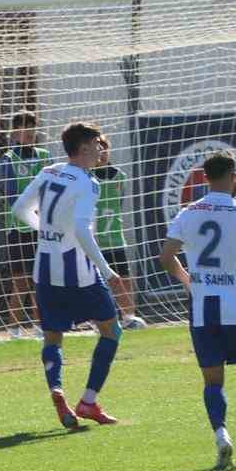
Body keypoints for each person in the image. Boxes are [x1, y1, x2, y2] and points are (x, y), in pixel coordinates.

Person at [159, 151, 236, 468]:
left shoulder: (188, 213)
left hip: (203, 307)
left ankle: (220, 436)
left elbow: (166, 255)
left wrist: (187, 279)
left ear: (205, 178)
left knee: (213, 381)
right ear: (233, 177)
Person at [10, 121, 130, 429]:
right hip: (78, 270)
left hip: (45, 267)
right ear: (84, 148)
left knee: (53, 337)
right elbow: (79, 229)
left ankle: (58, 392)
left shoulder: (49, 171)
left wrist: (46, 231)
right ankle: (88, 401)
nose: (101, 149)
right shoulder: (88, 183)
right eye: (97, 144)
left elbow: (20, 209)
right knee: (111, 331)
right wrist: (107, 269)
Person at [0, 111, 49, 339]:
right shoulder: (8, 159)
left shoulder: (43, 156)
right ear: (15, 131)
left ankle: (41, 326)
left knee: (41, 279)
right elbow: (10, 195)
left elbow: (50, 188)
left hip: (42, 227)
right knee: (21, 281)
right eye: (24, 127)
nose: (29, 131)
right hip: (19, 227)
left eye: (32, 126)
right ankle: (13, 329)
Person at [94, 135, 146, 328]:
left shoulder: (119, 176)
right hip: (93, 240)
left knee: (124, 278)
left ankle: (129, 316)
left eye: (104, 148)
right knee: (95, 281)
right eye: (98, 149)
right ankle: (96, 318)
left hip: (115, 238)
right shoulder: (87, 176)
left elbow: (119, 204)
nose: (102, 153)